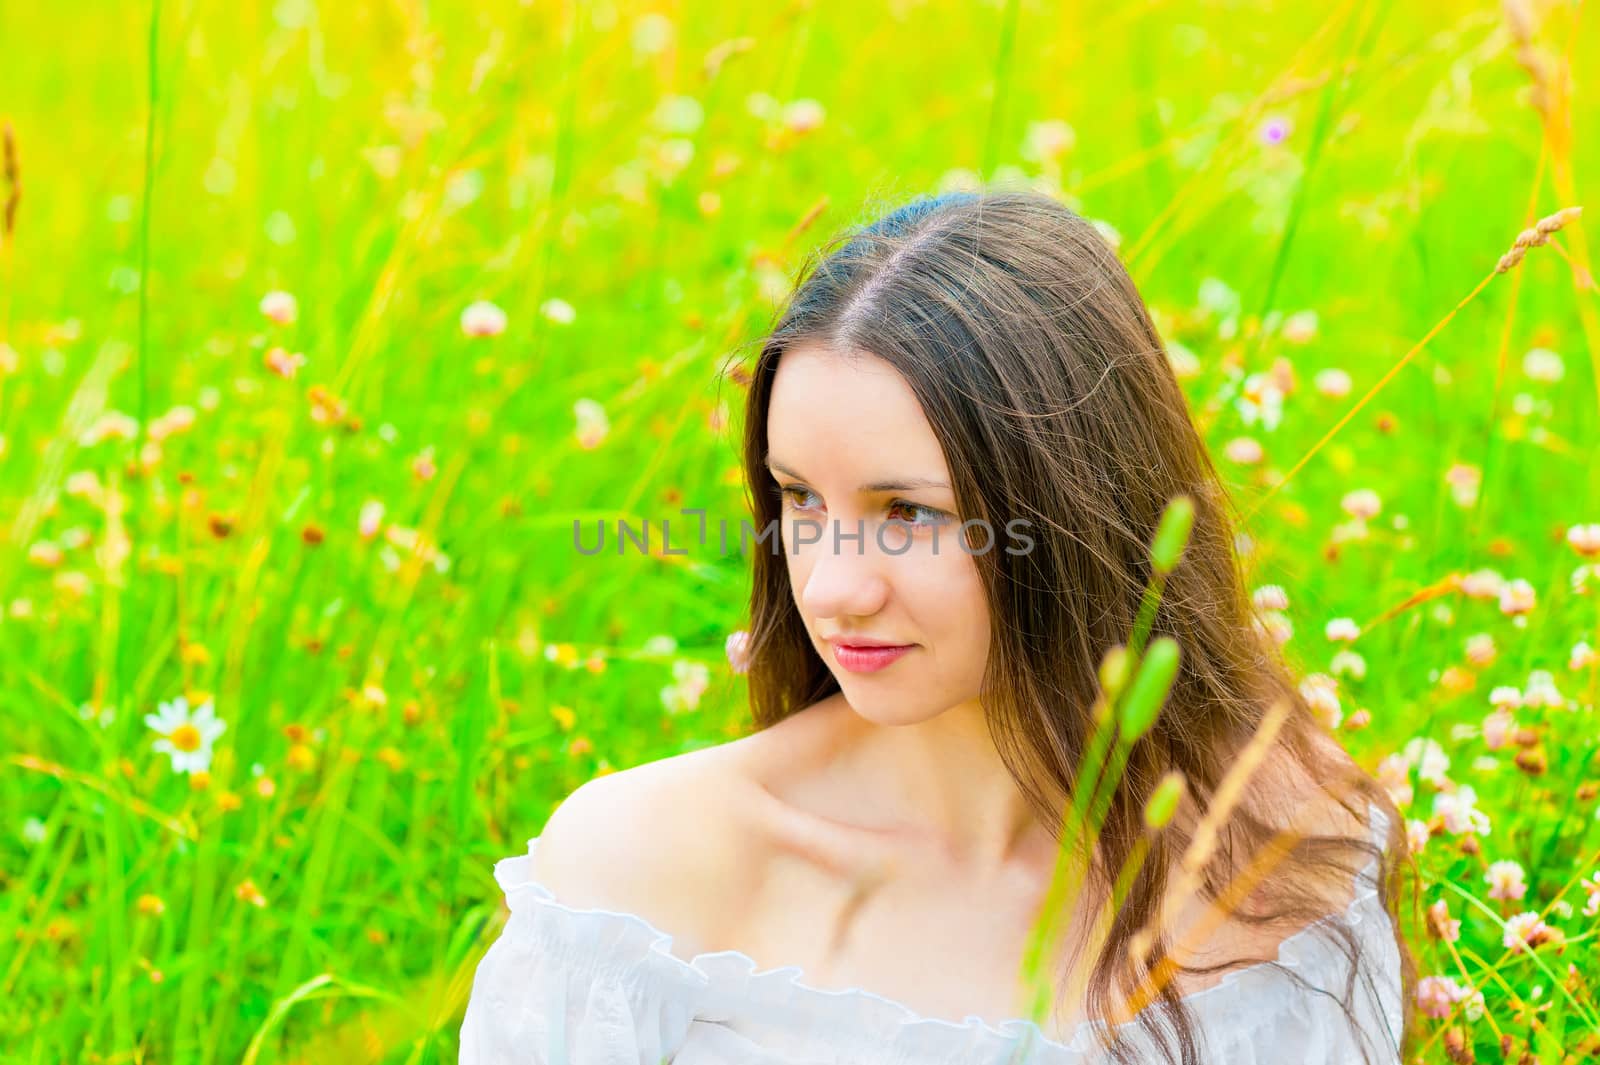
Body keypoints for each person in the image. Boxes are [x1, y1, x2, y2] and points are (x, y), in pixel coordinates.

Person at [458, 188, 1416, 1064]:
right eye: (798, 498)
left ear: (1072, 511)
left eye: (908, 514)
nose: (831, 588)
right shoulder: (644, 875)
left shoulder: (1289, 843)